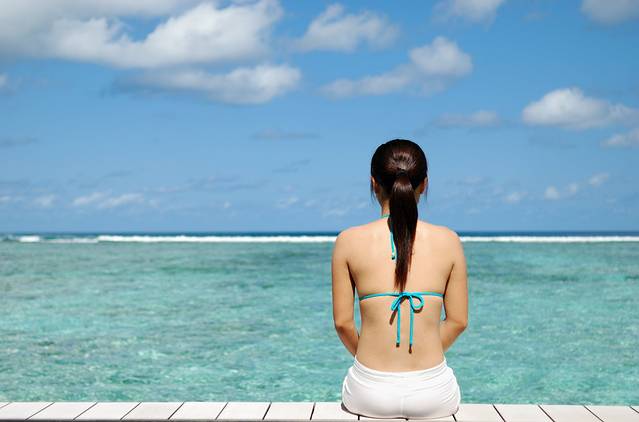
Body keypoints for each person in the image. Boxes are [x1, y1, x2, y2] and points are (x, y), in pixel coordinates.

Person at [331, 139, 468, 419]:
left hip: (369, 392)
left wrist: (371, 362)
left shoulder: (348, 241)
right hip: (433, 393)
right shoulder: (449, 240)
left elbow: (343, 323)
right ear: (424, 184)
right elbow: (458, 321)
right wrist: (424, 353)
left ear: (373, 184)